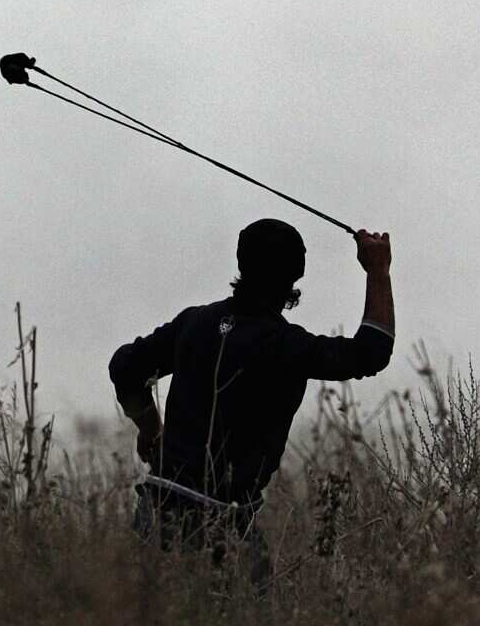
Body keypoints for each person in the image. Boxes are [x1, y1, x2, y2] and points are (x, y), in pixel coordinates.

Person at [108, 218, 394, 581]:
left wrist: (150, 429)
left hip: (156, 513)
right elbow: (371, 352)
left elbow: (125, 368)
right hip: (224, 528)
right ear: (295, 276)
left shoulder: (193, 324)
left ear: (242, 262)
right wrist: (378, 270)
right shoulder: (287, 346)